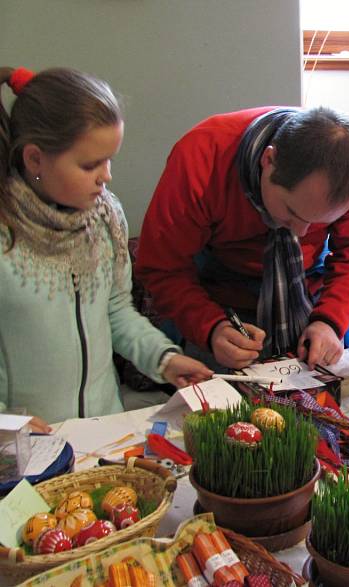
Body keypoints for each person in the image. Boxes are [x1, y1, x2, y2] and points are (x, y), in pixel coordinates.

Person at [0, 67, 212, 429]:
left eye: (109, 159)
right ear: (35, 159)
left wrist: (164, 358)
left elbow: (115, 310)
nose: (106, 176)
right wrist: (6, 423)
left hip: (102, 429)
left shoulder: (105, 217)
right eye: (90, 165)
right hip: (26, 441)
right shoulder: (8, 234)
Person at [135, 106, 349, 371]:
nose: (301, 233)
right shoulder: (201, 157)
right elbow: (163, 267)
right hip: (217, 297)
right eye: (291, 212)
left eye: (321, 222)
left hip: (311, 293)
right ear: (268, 160)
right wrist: (211, 327)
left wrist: (330, 321)